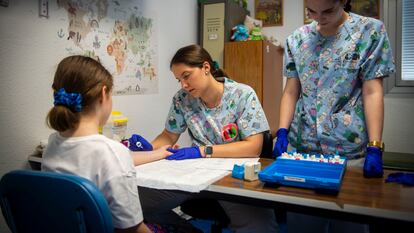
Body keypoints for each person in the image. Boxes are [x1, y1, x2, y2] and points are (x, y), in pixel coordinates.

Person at [273, 0, 395, 232]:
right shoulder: (297, 39)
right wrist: (281, 131)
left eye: (328, 11)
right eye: (311, 11)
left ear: (344, 1)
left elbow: (372, 91)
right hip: (304, 148)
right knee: (303, 223)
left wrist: (375, 146)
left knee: (349, 222)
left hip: (348, 150)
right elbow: (291, 91)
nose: (319, 18)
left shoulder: (369, 32)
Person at [136, 44, 278, 233]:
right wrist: (148, 148)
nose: (183, 85)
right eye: (179, 80)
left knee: (259, 228)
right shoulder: (182, 99)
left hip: (233, 175)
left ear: (205, 67)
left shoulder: (242, 95)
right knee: (135, 203)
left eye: (186, 76)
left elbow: (253, 147)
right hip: (196, 173)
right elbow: (169, 135)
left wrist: (202, 151)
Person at [42, 55, 172, 233]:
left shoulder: (53, 144)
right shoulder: (112, 153)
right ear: (104, 94)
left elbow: (99, 160)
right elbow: (133, 229)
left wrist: (159, 153)